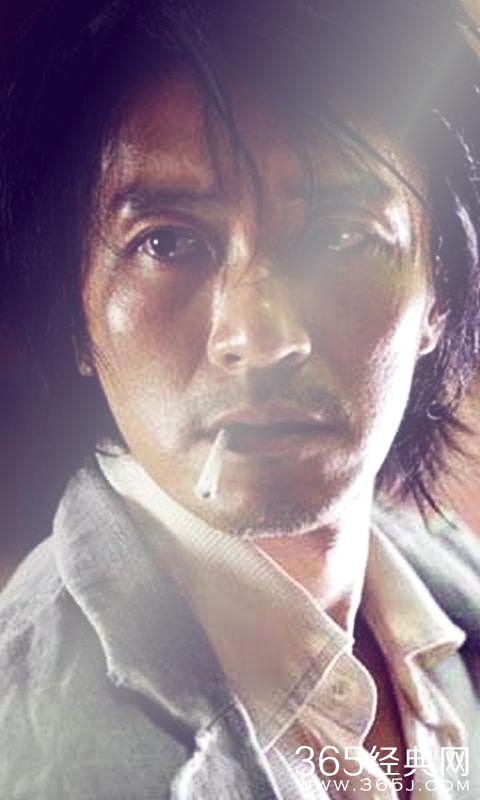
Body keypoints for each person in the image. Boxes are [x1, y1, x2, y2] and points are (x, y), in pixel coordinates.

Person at [0, 0, 480, 797]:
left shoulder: (449, 588)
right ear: (73, 313)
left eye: (340, 236)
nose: (259, 339)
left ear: (440, 291)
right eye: (168, 242)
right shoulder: (33, 755)